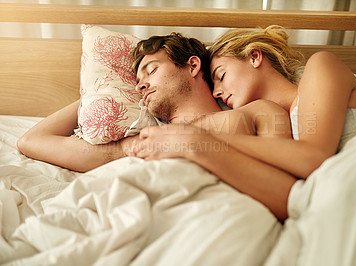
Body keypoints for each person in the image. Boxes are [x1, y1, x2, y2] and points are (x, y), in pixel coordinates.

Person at [18, 32, 296, 221]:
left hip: (217, 220)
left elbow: (287, 196)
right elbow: (31, 140)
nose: (141, 85)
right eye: (137, 82)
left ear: (193, 65)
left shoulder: (257, 113)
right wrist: (97, 91)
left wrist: (197, 145)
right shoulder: (142, 142)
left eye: (151, 70)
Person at [134, 25, 356, 180]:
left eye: (221, 75)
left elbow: (313, 158)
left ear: (254, 56)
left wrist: (195, 139)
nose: (217, 92)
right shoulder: (277, 122)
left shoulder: (321, 66)